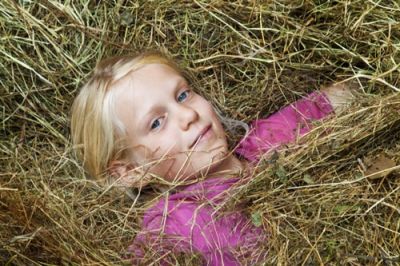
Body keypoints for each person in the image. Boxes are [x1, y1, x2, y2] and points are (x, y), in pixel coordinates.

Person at [70, 51, 354, 265]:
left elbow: (338, 98)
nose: (188, 115)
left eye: (182, 95)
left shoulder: (263, 141)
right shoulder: (175, 223)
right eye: (156, 123)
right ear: (131, 171)